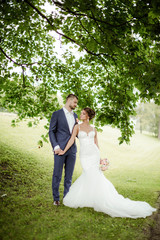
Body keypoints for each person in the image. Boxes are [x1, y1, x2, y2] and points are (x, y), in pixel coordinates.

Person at [58, 107, 156, 218]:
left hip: (94, 155)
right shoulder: (77, 127)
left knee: (94, 176)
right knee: (88, 174)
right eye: (81, 113)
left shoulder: (94, 129)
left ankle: (101, 199)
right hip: (84, 156)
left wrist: (100, 159)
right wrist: (64, 150)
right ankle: (92, 198)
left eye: (83, 114)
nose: (80, 115)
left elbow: (96, 144)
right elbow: (71, 140)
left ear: (88, 117)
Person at [49, 94, 78, 206]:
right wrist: (56, 146)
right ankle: (56, 198)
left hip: (72, 150)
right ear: (69, 101)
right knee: (57, 174)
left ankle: (67, 197)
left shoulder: (75, 115)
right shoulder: (56, 114)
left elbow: (76, 133)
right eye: (74, 102)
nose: (76, 105)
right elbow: (51, 131)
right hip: (59, 149)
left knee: (69, 176)